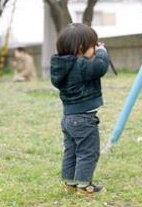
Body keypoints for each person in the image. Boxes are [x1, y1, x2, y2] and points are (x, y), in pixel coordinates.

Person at [50, 23, 109, 195]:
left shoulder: (61, 65)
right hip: (84, 119)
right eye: (93, 45)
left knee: (72, 151)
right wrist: (102, 53)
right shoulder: (80, 65)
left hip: (68, 117)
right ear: (81, 48)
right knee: (88, 152)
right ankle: (84, 186)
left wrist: (95, 52)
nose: (95, 48)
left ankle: (70, 182)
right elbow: (100, 67)